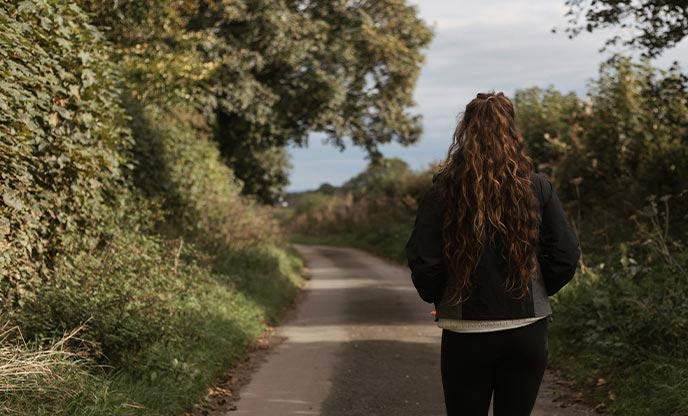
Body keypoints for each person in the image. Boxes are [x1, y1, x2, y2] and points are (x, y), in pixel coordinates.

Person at [405, 92, 580, 416]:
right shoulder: (538, 186)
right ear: (512, 131)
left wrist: (442, 297)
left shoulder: (443, 190)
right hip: (528, 331)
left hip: (466, 334)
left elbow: (423, 259)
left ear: (466, 133)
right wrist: (538, 292)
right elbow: (566, 256)